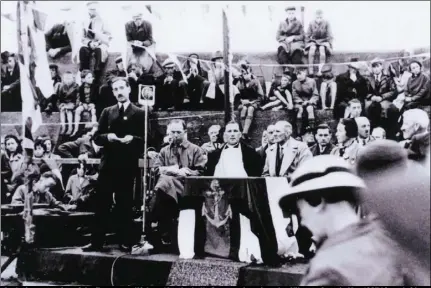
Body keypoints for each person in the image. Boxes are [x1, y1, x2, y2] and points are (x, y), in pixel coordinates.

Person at [278, 155, 419, 286]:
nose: (303, 222)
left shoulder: (328, 268)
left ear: (316, 202)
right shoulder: (391, 244)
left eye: (300, 210)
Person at [81, 77, 146, 253]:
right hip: (108, 166)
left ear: (129, 89)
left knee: (124, 204)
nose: (119, 92)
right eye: (115, 89)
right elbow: (97, 137)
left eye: (121, 88)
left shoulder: (140, 113)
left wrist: (133, 139)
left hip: (126, 166)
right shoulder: (107, 112)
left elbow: (146, 140)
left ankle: (125, 241)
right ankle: (96, 242)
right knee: (102, 204)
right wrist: (107, 137)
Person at [151, 119, 206, 249]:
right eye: (172, 132)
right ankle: (162, 226)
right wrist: (171, 170)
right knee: (165, 179)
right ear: (168, 133)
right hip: (169, 189)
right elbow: (156, 169)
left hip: (188, 188)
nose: (175, 135)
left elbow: (201, 172)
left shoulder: (196, 149)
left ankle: (158, 222)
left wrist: (186, 172)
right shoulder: (164, 151)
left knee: (163, 183)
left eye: (178, 132)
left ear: (185, 132)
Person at [79, 1, 112, 80]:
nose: (93, 11)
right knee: (83, 50)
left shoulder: (104, 20)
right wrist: (89, 43)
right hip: (89, 44)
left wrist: (99, 42)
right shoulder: (85, 21)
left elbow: (109, 36)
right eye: (91, 9)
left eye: (94, 9)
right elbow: (82, 37)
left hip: (100, 43)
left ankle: (97, 74)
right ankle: (85, 72)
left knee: (99, 51)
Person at [365, 58, 398, 130]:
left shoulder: (388, 78)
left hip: (384, 99)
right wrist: (371, 96)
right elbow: (365, 91)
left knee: (386, 108)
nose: (376, 69)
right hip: (372, 99)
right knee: (366, 107)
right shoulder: (368, 79)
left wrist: (382, 97)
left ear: (381, 67)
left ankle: (385, 128)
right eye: (374, 67)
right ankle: (370, 127)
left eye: (378, 66)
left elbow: (394, 91)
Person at [234, 60, 264, 140]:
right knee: (244, 109)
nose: (245, 75)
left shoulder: (255, 81)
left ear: (250, 72)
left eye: (246, 73)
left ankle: (244, 133)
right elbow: (235, 94)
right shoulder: (239, 82)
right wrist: (241, 101)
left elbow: (261, 95)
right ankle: (244, 134)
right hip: (243, 102)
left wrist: (252, 102)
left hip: (254, 101)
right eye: (243, 74)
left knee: (250, 109)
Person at [305, 10, 333, 76]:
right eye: (317, 18)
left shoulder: (326, 23)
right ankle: (310, 70)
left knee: (322, 51)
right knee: (312, 50)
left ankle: (320, 71)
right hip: (314, 41)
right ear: (315, 17)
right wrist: (307, 43)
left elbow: (329, 35)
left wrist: (328, 43)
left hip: (323, 41)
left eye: (320, 18)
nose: (319, 19)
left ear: (322, 17)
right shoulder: (311, 23)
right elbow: (307, 35)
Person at [292, 67, 320, 135]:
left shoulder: (312, 81)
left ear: (305, 74)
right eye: (297, 75)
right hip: (299, 102)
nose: (298, 76)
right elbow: (294, 95)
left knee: (310, 109)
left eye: (300, 74)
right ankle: (299, 132)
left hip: (309, 101)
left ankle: (311, 131)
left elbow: (315, 94)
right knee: (300, 110)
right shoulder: (294, 83)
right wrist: (300, 102)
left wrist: (310, 101)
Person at [72, 70, 98, 137]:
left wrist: (93, 104)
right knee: (77, 111)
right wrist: (83, 104)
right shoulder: (81, 88)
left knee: (93, 112)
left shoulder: (95, 87)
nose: (91, 79)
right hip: (84, 104)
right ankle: (76, 129)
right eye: (89, 77)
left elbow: (97, 98)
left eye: (91, 77)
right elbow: (81, 98)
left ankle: (94, 128)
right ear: (83, 79)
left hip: (91, 104)